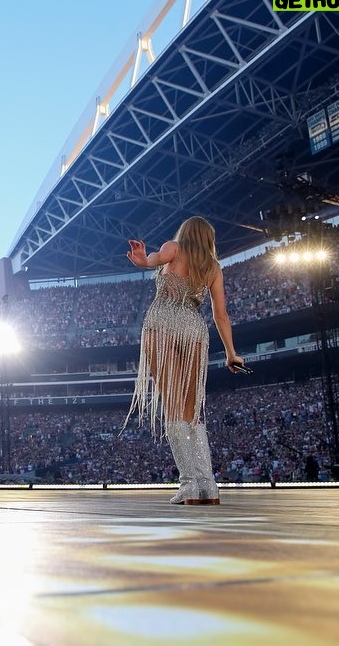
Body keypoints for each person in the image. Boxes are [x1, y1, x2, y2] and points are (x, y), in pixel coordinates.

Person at [125, 216, 245, 505]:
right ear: (208, 238)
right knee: (192, 411)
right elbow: (220, 315)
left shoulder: (174, 248)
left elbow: (153, 260)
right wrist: (231, 352)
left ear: (185, 233)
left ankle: (189, 485)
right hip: (194, 329)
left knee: (174, 406)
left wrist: (143, 261)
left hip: (162, 324)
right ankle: (209, 486)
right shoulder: (214, 268)